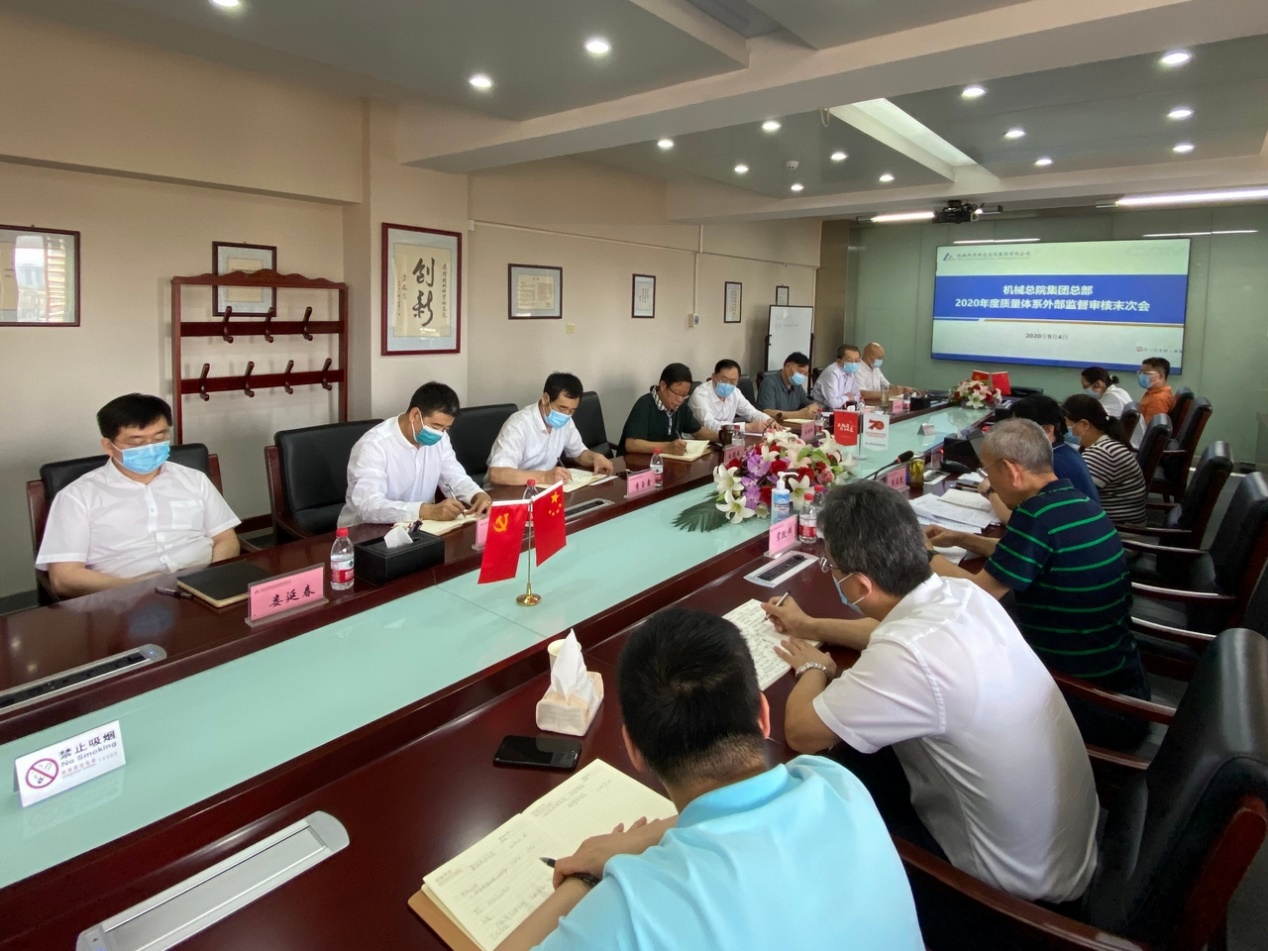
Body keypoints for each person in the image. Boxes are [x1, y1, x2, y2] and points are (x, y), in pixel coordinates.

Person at [497, 608, 924, 951]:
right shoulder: (835, 783)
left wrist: (581, 881)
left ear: (633, 749)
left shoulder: (633, 910)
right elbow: (732, 812)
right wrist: (630, 842)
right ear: (763, 716)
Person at [771, 481, 1099, 906]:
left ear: (859, 585)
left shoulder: (907, 656)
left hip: (1006, 898)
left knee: (814, 797)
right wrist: (810, 627)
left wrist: (814, 667)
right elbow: (888, 632)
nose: (829, 573)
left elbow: (801, 732)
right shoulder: (962, 594)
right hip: (1066, 848)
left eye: (830, 566)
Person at [925, 418, 1151, 750]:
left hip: (1087, 701)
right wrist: (961, 538)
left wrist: (923, 554)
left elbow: (977, 594)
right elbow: (1026, 552)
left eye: (989, 472)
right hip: (1123, 681)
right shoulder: (1070, 500)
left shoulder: (1035, 516)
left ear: (1010, 470)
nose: (989, 482)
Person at [35, 393, 241, 598]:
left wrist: (212, 581)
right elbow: (64, 578)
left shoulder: (194, 479)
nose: (150, 448)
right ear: (108, 446)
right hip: (124, 599)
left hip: (204, 589)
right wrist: (138, 589)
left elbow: (225, 539)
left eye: (159, 438)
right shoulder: (77, 497)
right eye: (136, 442)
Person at [339, 382, 492, 527]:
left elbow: (455, 477)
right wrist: (426, 510)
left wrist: (477, 495)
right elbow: (368, 505)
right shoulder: (373, 445)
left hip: (419, 527)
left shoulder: (441, 439)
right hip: (367, 531)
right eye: (436, 426)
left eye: (446, 428)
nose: (440, 434)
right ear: (414, 415)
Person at [979, 395, 1098, 523]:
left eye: (1018, 430)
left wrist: (991, 491)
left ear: (1047, 429)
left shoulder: (1051, 464)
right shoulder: (1065, 451)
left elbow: (1017, 519)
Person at [486, 372, 615, 487]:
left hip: (542, 489)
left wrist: (595, 458)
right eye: (562, 408)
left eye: (572, 410)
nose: (566, 415)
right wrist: (544, 477)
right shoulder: (518, 426)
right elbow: (496, 474)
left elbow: (579, 453)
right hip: (506, 493)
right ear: (545, 399)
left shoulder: (566, 421)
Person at [1062, 394, 1148, 525]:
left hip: (1119, 530)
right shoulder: (1105, 444)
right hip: (1111, 523)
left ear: (1084, 424)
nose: (1063, 431)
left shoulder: (1102, 453)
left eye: (1066, 425)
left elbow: (1072, 496)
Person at [618, 363, 719, 455]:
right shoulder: (645, 404)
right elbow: (631, 444)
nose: (680, 399)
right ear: (663, 385)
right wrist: (666, 447)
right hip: (636, 464)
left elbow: (699, 432)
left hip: (665, 462)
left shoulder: (681, 407)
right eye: (677, 393)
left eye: (684, 395)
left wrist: (723, 438)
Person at [688, 359, 776, 434]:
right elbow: (709, 425)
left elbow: (752, 413)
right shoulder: (700, 395)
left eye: (732, 381)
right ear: (713, 377)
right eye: (723, 380)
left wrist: (768, 420)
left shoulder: (735, 393)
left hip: (726, 439)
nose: (727, 384)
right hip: (698, 442)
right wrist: (746, 427)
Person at [756, 351, 821, 421]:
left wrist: (812, 407)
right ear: (787, 366)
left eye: (805, 374)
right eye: (800, 372)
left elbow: (808, 403)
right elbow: (767, 412)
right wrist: (800, 414)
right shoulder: (769, 383)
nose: (802, 376)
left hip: (791, 425)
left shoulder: (797, 386)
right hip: (774, 425)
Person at [1135, 356, 1176, 447]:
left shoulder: (1158, 399)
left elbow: (1151, 430)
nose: (1141, 376)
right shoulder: (1152, 393)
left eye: (1146, 373)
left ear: (1160, 376)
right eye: (1140, 372)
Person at [810, 344, 863, 410]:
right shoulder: (832, 373)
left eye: (857, 361)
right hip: (823, 411)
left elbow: (857, 397)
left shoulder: (850, 372)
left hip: (842, 410)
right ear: (839, 361)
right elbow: (833, 403)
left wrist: (845, 399)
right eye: (849, 361)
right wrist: (847, 397)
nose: (854, 364)